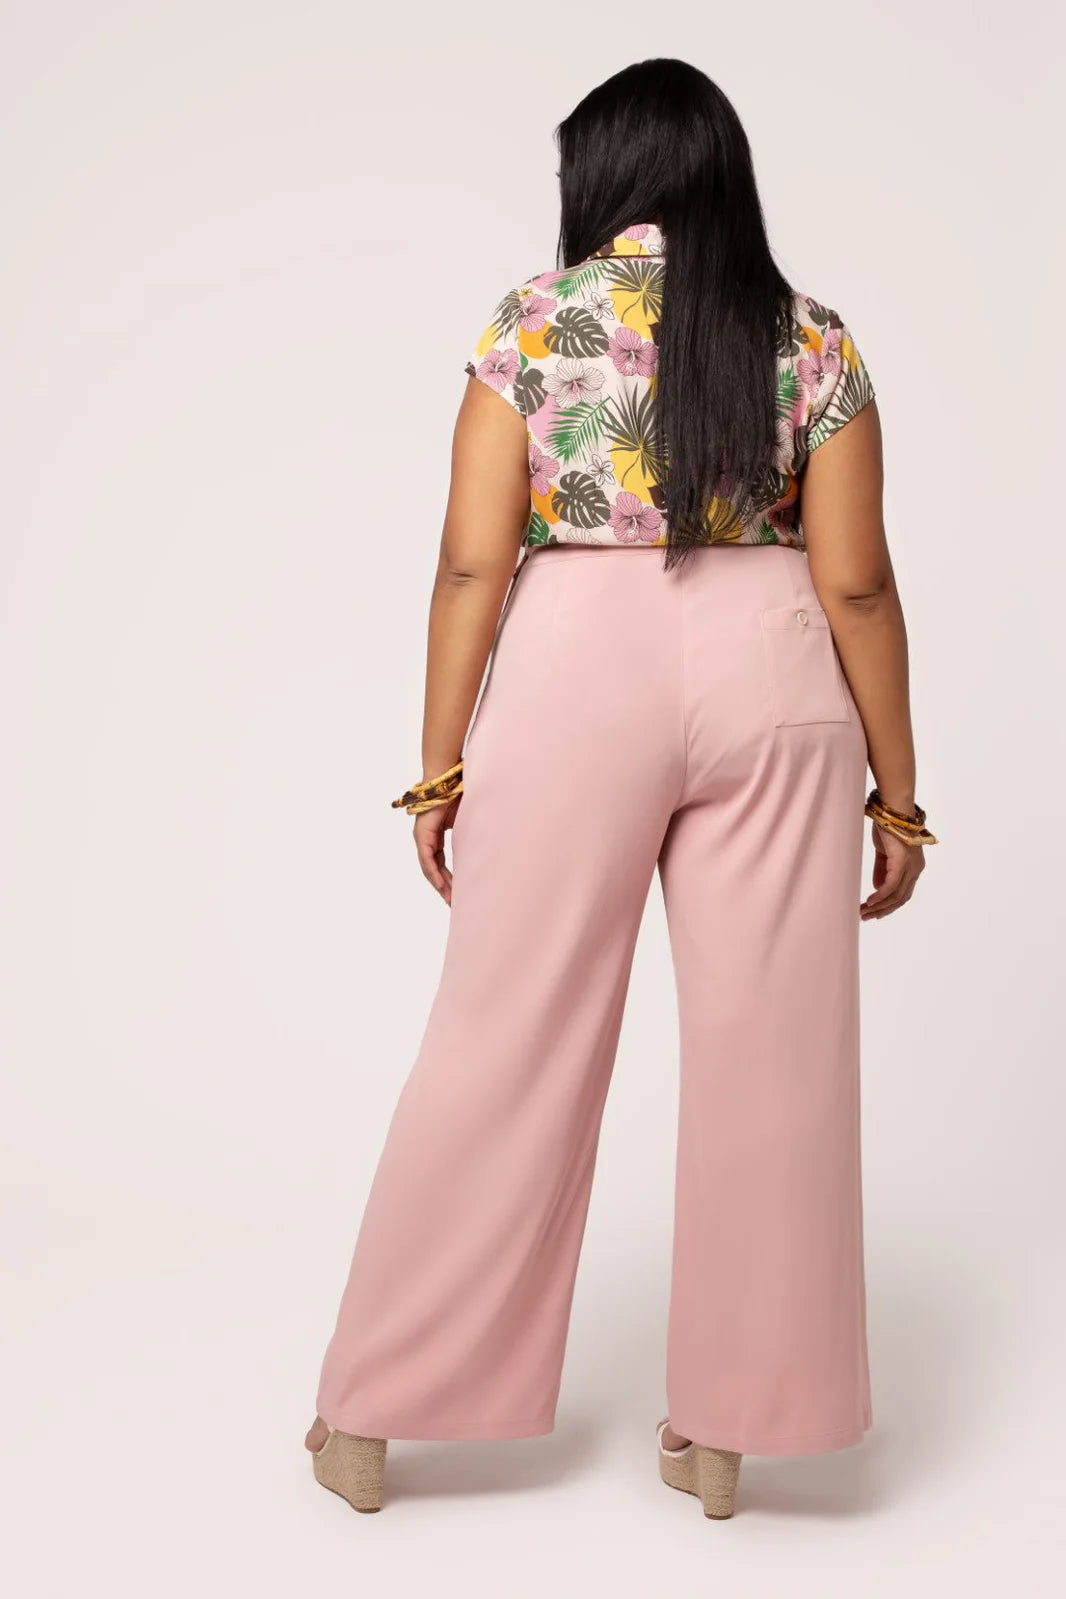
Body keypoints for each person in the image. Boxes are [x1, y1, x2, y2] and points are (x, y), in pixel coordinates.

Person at [305, 56, 935, 1519]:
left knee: (505, 1033)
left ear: (600, 178)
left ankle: (374, 1414)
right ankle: (729, 1437)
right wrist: (897, 795)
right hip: (774, 669)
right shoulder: (810, 337)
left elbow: (472, 559)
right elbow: (855, 579)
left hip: (574, 669)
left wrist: (438, 766)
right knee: (775, 1056)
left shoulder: (536, 324)